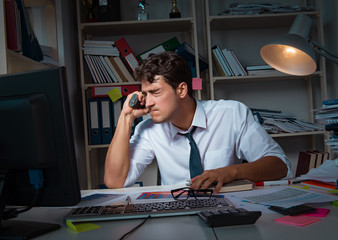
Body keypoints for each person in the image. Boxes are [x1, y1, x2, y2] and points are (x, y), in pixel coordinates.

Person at [104, 51, 292, 193]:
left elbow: (280, 166)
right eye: (145, 94)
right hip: (176, 215)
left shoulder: (231, 113)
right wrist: (126, 117)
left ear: (182, 90)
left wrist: (231, 172)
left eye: (156, 92)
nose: (149, 101)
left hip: (227, 206)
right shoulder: (149, 129)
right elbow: (115, 182)